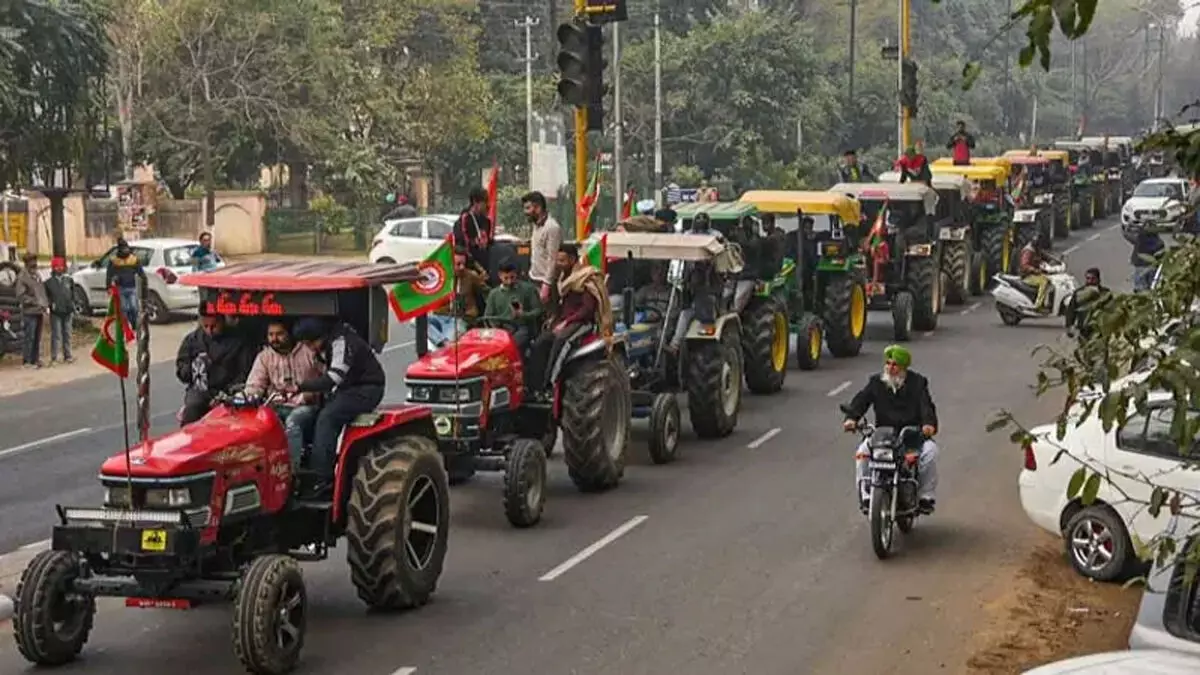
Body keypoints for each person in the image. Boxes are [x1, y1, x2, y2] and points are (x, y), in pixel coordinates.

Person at [291, 317, 387, 493]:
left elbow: (333, 378)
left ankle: (321, 478)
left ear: (319, 337)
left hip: (366, 389)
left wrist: (301, 386)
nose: (309, 348)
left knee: (328, 418)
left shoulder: (342, 341)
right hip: (347, 388)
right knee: (314, 414)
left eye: (309, 343)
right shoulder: (331, 340)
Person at [841, 345, 939, 514]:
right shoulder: (876, 382)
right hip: (882, 436)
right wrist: (851, 419)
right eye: (888, 364)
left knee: (930, 452)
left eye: (895, 365)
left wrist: (928, 425)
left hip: (911, 436)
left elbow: (926, 407)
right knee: (862, 452)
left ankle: (925, 496)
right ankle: (866, 495)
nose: (890, 368)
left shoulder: (918, 383)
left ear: (903, 368)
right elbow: (861, 401)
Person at [525, 244, 611, 391]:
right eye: (557, 260)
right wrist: (554, 317)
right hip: (562, 321)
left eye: (562, 261)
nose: (558, 264)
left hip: (580, 323)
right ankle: (533, 385)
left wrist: (567, 322)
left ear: (572, 260)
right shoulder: (562, 279)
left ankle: (551, 383)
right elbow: (560, 304)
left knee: (561, 342)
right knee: (540, 342)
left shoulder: (585, 278)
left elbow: (587, 309)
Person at [244, 320, 324, 469]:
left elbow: (326, 379)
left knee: (293, 422)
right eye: (271, 335)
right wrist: (249, 396)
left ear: (290, 334)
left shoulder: (308, 351)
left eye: (279, 334)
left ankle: (291, 471)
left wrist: (310, 394)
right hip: (276, 405)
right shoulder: (264, 356)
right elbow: (255, 384)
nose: (274, 339)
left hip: (306, 406)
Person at [175, 314, 256, 425]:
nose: (210, 330)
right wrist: (194, 366)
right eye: (206, 326)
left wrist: (226, 393)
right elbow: (181, 371)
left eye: (214, 326)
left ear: (222, 322)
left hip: (229, 389)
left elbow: (244, 372)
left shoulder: (238, 341)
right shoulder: (192, 340)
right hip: (200, 389)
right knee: (193, 407)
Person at [427, 247, 489, 348]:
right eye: (458, 264)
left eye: (463, 264)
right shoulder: (441, 277)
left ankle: (445, 344)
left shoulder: (471, 276)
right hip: (440, 316)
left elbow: (487, 292)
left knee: (453, 338)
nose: (462, 267)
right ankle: (443, 342)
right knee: (417, 321)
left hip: (460, 318)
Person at [483, 259, 543, 350]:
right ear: (500, 276)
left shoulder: (528, 289)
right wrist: (495, 327)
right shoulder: (494, 294)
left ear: (516, 274)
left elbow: (538, 310)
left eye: (512, 277)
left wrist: (523, 314)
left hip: (521, 327)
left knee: (514, 342)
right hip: (501, 329)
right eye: (506, 278)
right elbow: (488, 316)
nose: (509, 281)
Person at [523, 190, 563, 305]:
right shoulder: (536, 225)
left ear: (538, 207)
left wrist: (547, 285)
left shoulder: (551, 227)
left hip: (545, 282)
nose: (525, 212)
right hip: (533, 277)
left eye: (528, 208)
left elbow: (553, 259)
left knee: (549, 317)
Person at [14, 253, 48, 369]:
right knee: (30, 336)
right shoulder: (22, 277)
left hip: (39, 310)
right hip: (29, 312)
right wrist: (34, 301)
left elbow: (41, 292)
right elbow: (20, 295)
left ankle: (35, 359)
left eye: (35, 261)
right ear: (26, 263)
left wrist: (44, 304)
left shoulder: (37, 275)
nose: (34, 264)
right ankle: (27, 361)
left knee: (37, 337)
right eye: (32, 262)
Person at [106, 238, 146, 330]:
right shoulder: (114, 261)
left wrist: (144, 283)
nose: (125, 251)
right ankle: (128, 325)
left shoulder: (133, 259)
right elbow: (109, 275)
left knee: (133, 307)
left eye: (126, 248)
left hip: (132, 287)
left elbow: (141, 273)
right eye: (123, 249)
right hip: (121, 288)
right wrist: (108, 287)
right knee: (124, 309)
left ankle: (134, 323)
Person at [44, 258, 76, 364]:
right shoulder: (48, 283)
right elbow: (46, 297)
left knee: (67, 333)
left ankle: (68, 355)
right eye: (57, 266)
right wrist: (50, 304)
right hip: (55, 312)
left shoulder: (68, 280)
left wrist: (74, 303)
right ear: (53, 268)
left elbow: (73, 294)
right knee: (56, 335)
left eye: (61, 266)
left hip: (68, 310)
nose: (59, 268)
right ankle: (54, 357)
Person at [1064, 268, 1111, 339]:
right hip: (1084, 329)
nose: (1090, 281)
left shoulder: (1105, 293)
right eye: (1088, 278)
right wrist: (1069, 326)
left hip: (1100, 330)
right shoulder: (1079, 293)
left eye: (1093, 278)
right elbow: (1071, 311)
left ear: (1098, 279)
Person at [454, 188, 492, 271]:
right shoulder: (464, 220)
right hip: (469, 269)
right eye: (485, 202)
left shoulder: (487, 222)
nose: (487, 205)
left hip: (484, 267)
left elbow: (488, 243)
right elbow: (460, 246)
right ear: (475, 202)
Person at [1018, 233, 1053, 313]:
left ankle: (1045, 302)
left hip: (1034, 274)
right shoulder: (1028, 251)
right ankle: (1038, 306)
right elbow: (1024, 265)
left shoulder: (1037, 249)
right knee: (1044, 281)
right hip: (1027, 276)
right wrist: (1035, 270)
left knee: (1049, 279)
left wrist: (1056, 261)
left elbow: (1045, 256)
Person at [1125, 225, 1165, 292]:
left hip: (1140, 267)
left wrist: (1127, 227)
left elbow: (1127, 235)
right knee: (1153, 287)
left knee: (1140, 288)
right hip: (1153, 267)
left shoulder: (1139, 240)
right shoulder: (1159, 242)